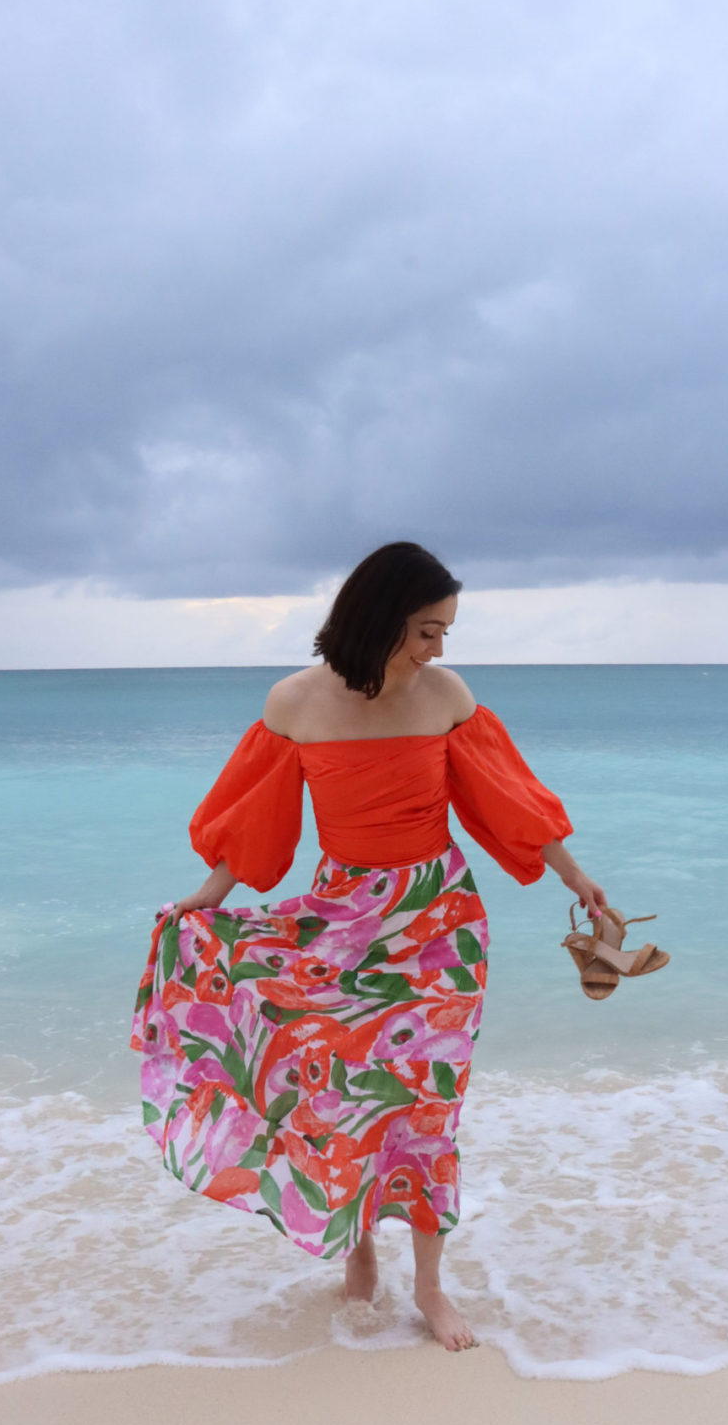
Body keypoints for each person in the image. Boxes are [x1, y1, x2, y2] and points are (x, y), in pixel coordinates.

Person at [131, 542, 607, 1351]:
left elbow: (508, 801)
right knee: (342, 1096)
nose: (439, 650)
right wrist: (207, 901)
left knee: (429, 1108)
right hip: (342, 921)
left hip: (439, 929)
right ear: (381, 619)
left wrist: (577, 880)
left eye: (445, 632)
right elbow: (252, 819)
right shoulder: (296, 704)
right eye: (427, 631)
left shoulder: (446, 695)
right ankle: (357, 1251)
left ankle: (429, 1287)